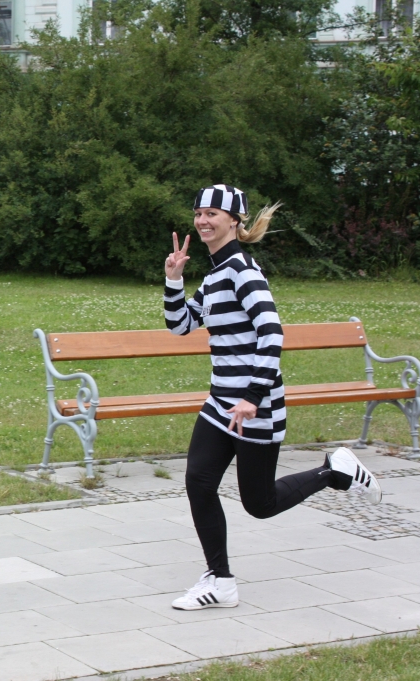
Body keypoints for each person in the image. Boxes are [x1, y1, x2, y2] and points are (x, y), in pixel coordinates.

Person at [163, 184, 383, 611]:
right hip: (220, 403)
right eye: (199, 213)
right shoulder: (215, 274)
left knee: (260, 504)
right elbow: (181, 325)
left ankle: (334, 470)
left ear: (234, 221)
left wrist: (252, 396)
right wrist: (174, 280)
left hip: (254, 406)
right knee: (199, 483)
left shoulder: (243, 271)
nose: (203, 221)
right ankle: (220, 581)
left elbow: (272, 333)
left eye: (212, 213)